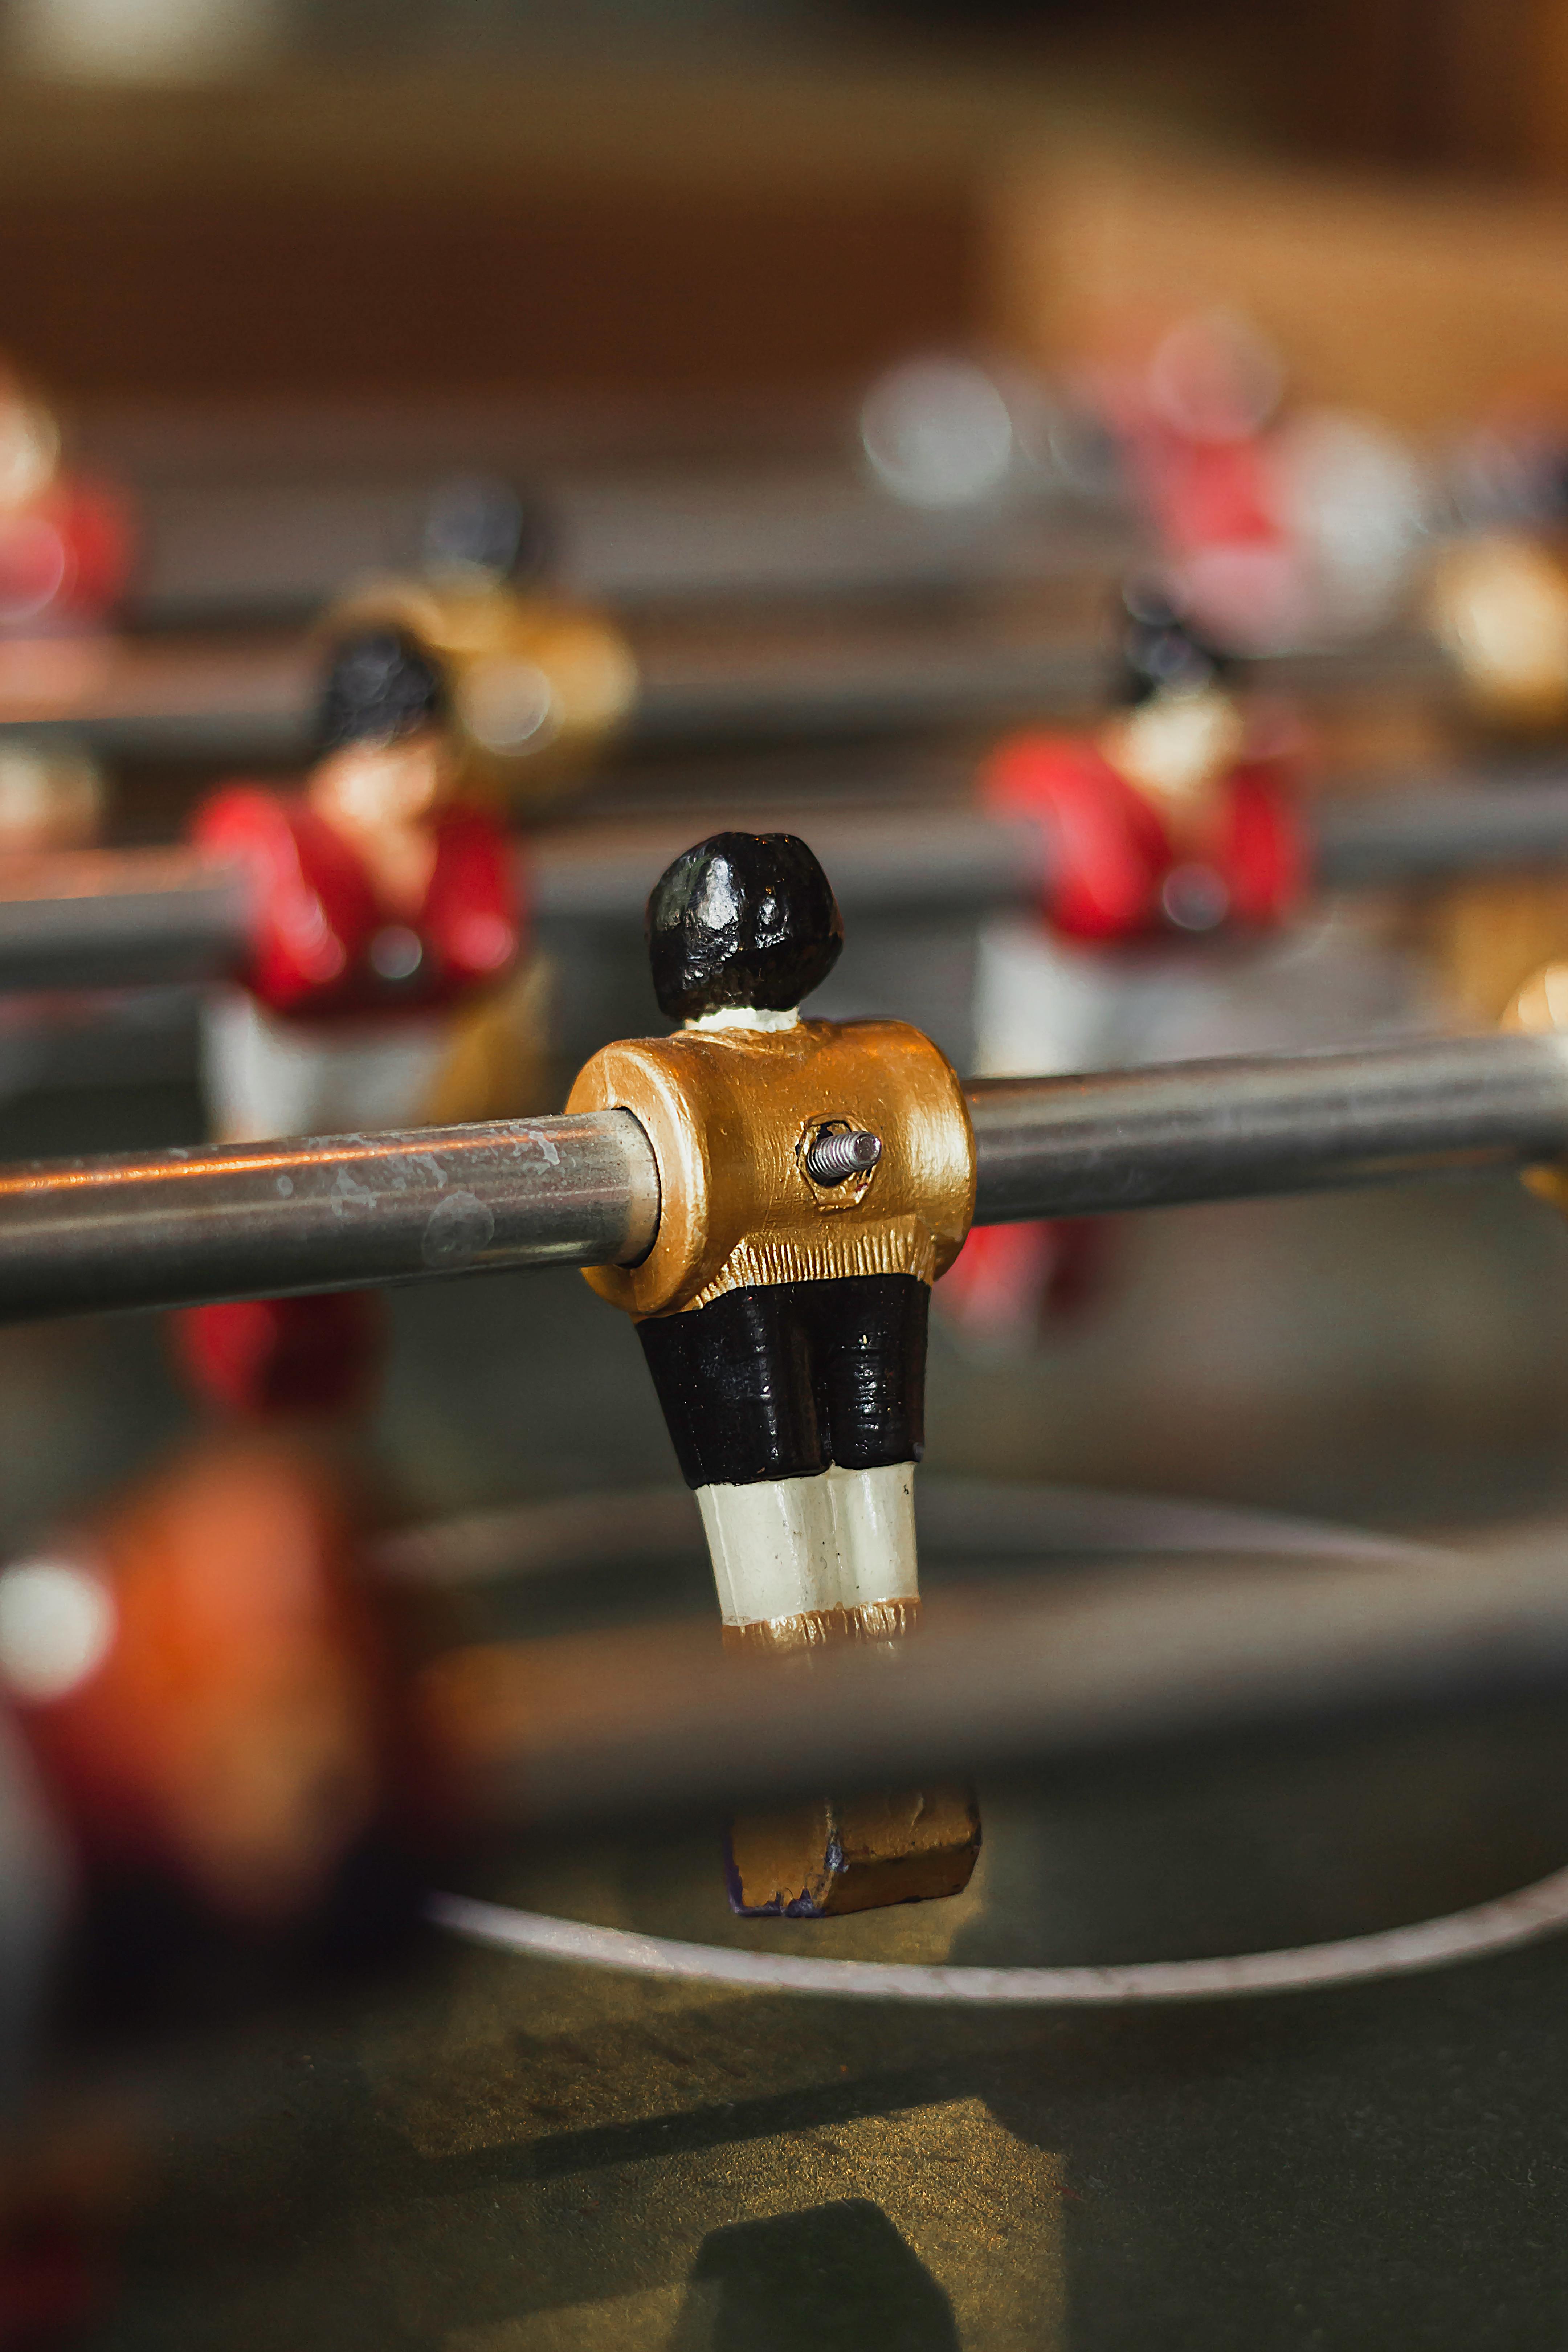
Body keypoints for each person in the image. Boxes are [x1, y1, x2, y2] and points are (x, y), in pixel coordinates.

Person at [569, 832, 980, 1912]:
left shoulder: (671, 1082)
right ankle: (887, 1791)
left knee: (789, 1530)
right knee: (868, 1514)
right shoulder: (886, 1069)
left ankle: (811, 1801)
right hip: (836, 1267)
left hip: (743, 1273)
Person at [176, 626, 533, 1417]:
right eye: (398, 758)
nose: (423, 780)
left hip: (398, 1060)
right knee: (266, 1203)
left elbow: (483, 946)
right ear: (344, 758)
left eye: (433, 755)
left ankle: (332, 1355)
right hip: (295, 1060)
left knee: (367, 1209)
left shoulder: (454, 845)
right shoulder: (283, 847)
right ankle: (244, 1351)